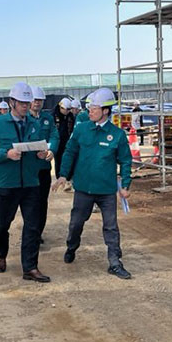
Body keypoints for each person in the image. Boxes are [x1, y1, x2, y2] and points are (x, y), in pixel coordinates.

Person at [52, 87, 133, 280]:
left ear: (105, 110)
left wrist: (125, 185)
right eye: (90, 108)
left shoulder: (117, 135)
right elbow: (69, 152)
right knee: (76, 223)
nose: (90, 111)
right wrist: (63, 175)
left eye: (94, 108)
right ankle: (71, 247)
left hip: (106, 190)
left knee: (111, 227)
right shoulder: (81, 130)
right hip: (83, 189)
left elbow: (126, 161)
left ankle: (115, 262)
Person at [0, 82, 52, 283]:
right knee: (2, 225)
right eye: (22, 103)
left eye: (27, 103)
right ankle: (1, 255)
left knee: (33, 226)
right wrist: (6, 154)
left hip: (30, 183)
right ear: (12, 102)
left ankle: (30, 267)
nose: (25, 107)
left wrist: (42, 154)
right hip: (6, 185)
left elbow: (40, 147)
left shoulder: (34, 124)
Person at [30, 86, 59, 244]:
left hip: (43, 168)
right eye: (35, 100)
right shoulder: (23, 118)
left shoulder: (48, 118)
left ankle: (38, 232)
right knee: (30, 203)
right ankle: (31, 231)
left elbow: (54, 136)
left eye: (40, 100)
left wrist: (52, 150)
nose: (37, 103)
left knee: (42, 202)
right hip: (28, 169)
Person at [53, 97, 75, 180]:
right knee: (58, 160)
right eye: (67, 109)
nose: (68, 111)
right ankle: (59, 177)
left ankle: (68, 177)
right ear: (61, 108)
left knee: (68, 159)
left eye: (69, 109)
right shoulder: (54, 115)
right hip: (58, 142)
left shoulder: (70, 116)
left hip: (67, 141)